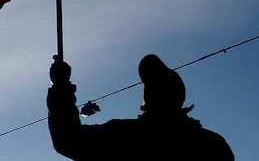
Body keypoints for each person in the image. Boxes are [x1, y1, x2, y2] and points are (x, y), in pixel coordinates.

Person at [47, 54, 234, 161]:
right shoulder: (214, 145)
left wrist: (60, 85)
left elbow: (69, 140)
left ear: (147, 99)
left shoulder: (125, 136)